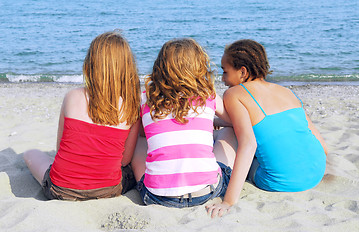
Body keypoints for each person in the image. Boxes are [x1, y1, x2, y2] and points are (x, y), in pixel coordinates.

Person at [206, 39, 328, 217]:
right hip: (317, 170)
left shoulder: (234, 94)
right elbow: (323, 147)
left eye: (225, 72)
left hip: (278, 180)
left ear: (242, 71)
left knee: (235, 137)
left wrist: (228, 201)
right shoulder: (286, 92)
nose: (223, 80)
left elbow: (248, 145)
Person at [23, 31, 141, 200]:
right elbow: (124, 161)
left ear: (90, 65)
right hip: (107, 190)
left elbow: (59, 148)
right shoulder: (130, 106)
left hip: (61, 190)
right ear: (126, 69)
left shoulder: (72, 96)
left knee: (30, 153)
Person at [131, 38, 236, 208]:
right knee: (229, 132)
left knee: (140, 139)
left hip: (157, 197)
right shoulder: (207, 94)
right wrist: (211, 120)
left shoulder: (145, 98)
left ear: (160, 67)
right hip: (205, 193)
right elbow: (232, 121)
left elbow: (145, 132)